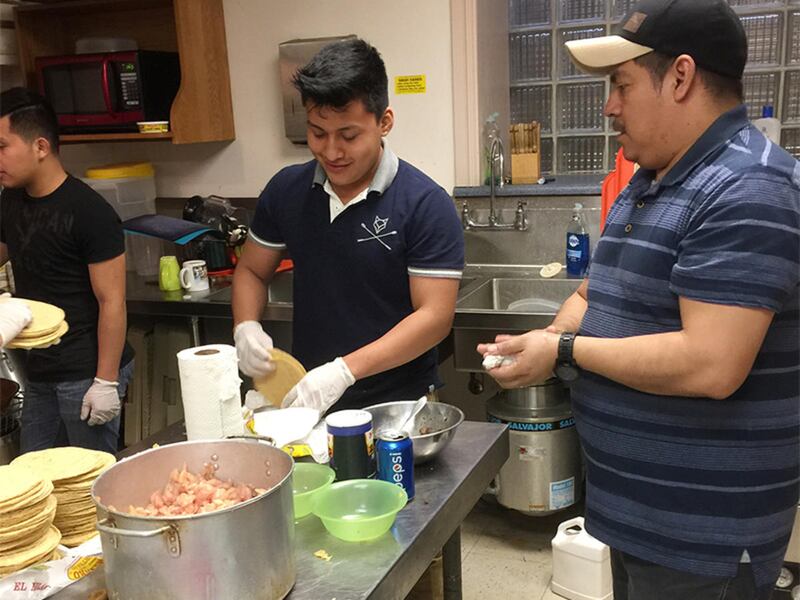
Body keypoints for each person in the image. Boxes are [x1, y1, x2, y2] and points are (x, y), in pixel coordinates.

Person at [479, 1, 799, 598]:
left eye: (621, 85)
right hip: (638, 518)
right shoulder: (649, 179)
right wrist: (545, 341)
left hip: (701, 534)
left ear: (680, 77)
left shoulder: (747, 187)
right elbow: (591, 289)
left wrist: (565, 351)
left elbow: (711, 364)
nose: (608, 107)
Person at [232, 38, 464, 413]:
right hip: (307, 402)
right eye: (318, 133)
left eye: (349, 135)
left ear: (384, 122)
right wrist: (245, 327)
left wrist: (344, 371)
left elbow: (434, 318)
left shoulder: (424, 204)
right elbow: (252, 271)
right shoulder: (286, 191)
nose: (332, 152)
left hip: (399, 408)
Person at [0, 87, 134, 454]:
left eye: (1, 147)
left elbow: (112, 302)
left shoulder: (90, 212)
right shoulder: (10, 200)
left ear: (40, 147)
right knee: (36, 476)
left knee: (87, 485)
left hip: (85, 369)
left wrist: (105, 381)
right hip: (39, 368)